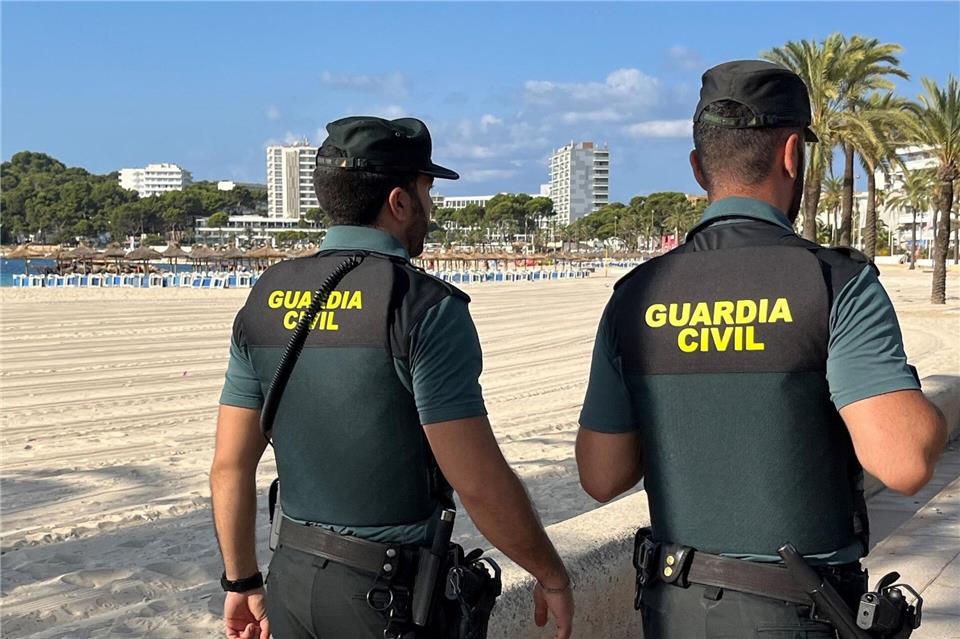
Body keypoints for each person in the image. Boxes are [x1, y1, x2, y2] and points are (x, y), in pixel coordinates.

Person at [575, 60, 947, 638]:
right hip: (798, 614)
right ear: (793, 154)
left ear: (699, 169)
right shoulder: (834, 283)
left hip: (673, 611)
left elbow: (601, 475)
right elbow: (904, 461)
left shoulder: (634, 296)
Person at [210, 116, 573, 639]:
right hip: (386, 597)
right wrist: (550, 574)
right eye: (428, 191)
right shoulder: (423, 305)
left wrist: (241, 580)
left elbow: (229, 466)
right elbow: (477, 481)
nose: (432, 207)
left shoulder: (266, 296)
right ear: (400, 202)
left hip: (290, 580)